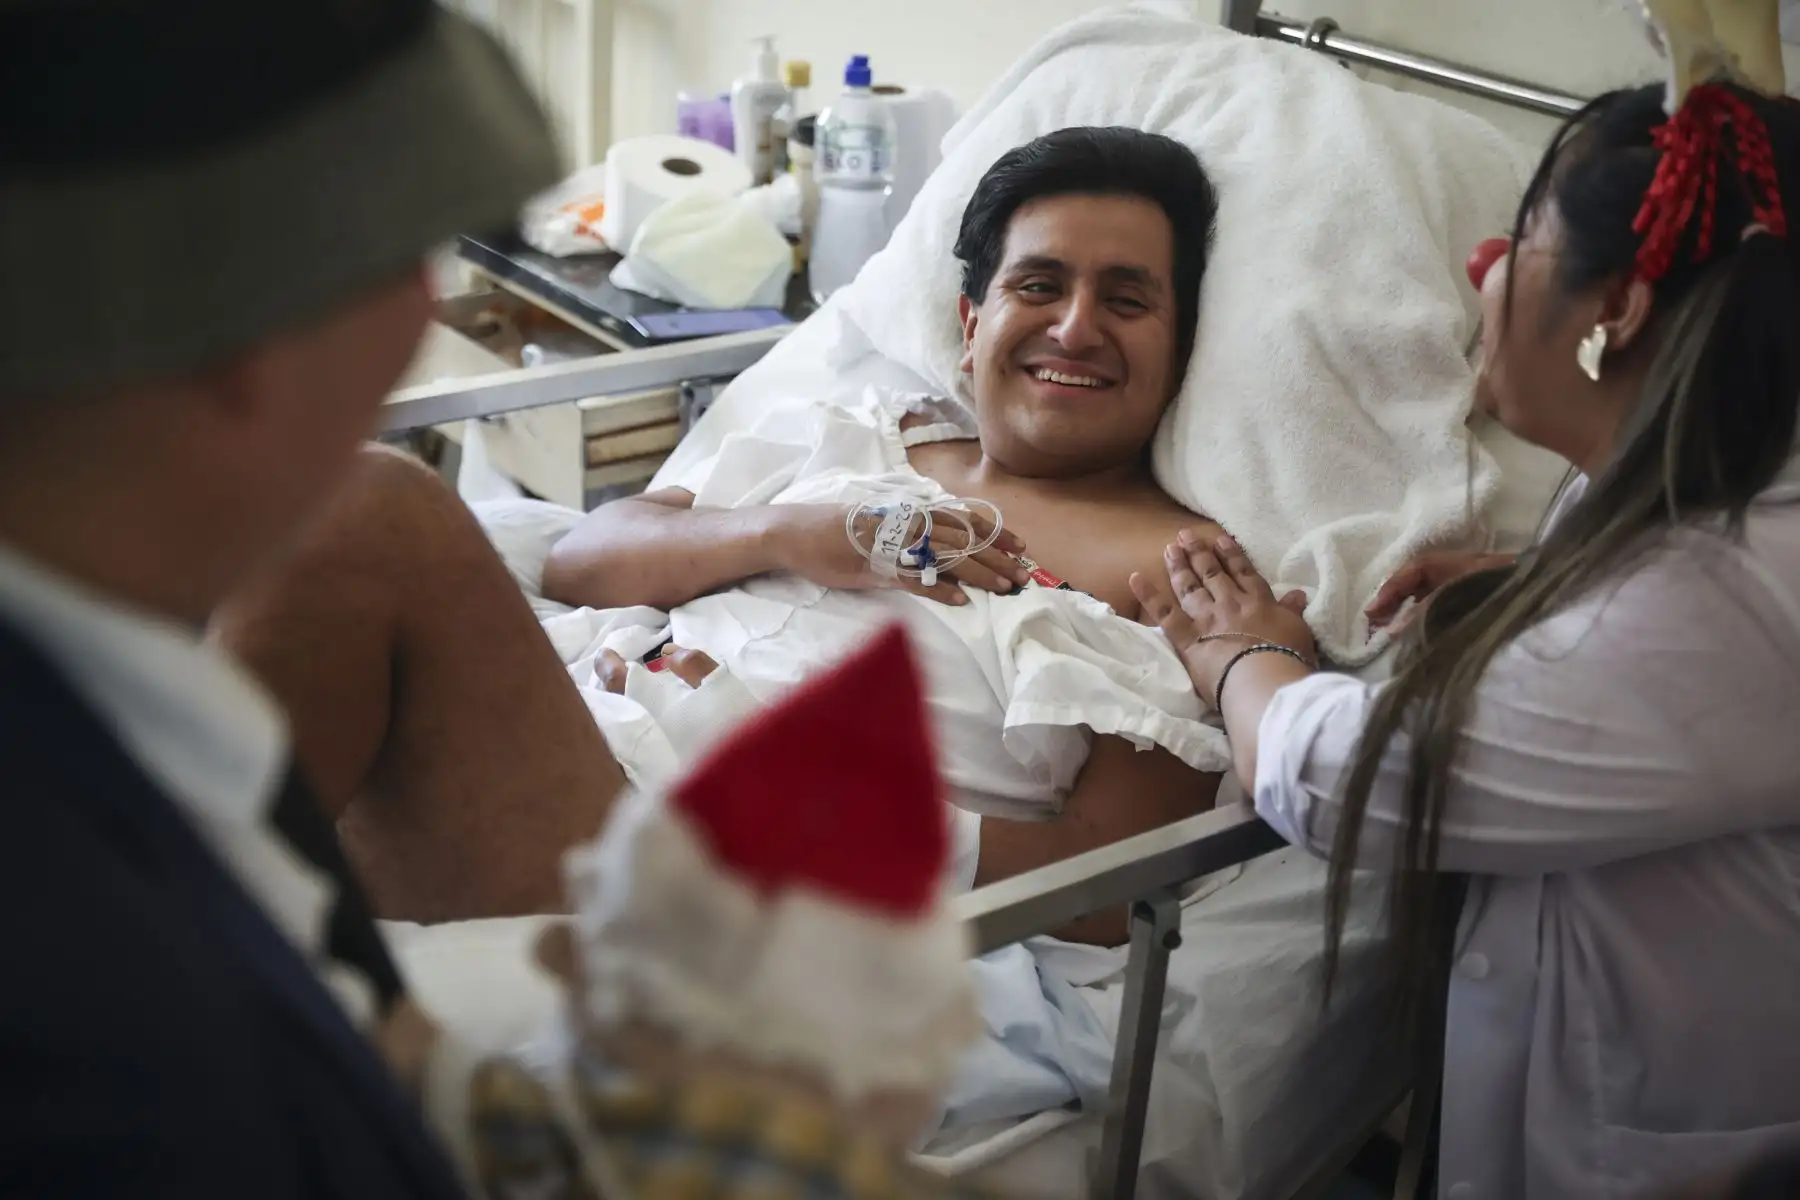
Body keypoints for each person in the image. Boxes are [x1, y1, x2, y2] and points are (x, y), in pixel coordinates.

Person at [217, 127, 1230, 943]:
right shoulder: (863, 434)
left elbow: (1108, 891)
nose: (1075, 327)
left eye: (1128, 299)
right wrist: (796, 533)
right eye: (1039, 286)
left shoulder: (1176, 579)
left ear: (1180, 346)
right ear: (970, 325)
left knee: (368, 509)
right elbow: (581, 560)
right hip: (578, 732)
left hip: (700, 870)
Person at [1132, 81, 1800, 1198]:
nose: (1485, 260)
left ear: (1617, 313)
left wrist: (1249, 655)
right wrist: (1534, 581)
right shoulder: (1695, 487)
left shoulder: (1726, 593)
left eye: (1525, 236)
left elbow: (1347, 775)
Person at [0, 1, 561, 1193]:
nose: (426, 312)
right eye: (403, 260)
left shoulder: (158, 726)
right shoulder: (121, 1045)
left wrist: (505, 1122)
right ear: (240, 338)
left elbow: (357, 1011)